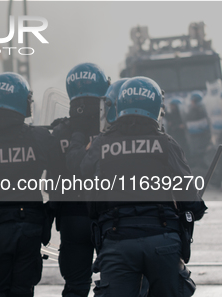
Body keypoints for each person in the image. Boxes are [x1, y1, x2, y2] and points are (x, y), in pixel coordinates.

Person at [73, 77, 207, 297]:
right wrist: (194, 210)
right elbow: (189, 198)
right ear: (156, 107)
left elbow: (85, 180)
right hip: (162, 240)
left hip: (117, 241)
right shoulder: (166, 143)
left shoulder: (101, 143)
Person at [0, 73, 62, 297]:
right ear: (20, 101)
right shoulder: (40, 137)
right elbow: (62, 177)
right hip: (29, 225)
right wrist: (49, 211)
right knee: (22, 290)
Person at [50, 62, 110, 297]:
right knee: (115, 281)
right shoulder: (113, 130)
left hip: (71, 216)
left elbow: (52, 174)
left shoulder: (60, 131)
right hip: (106, 215)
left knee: (75, 286)